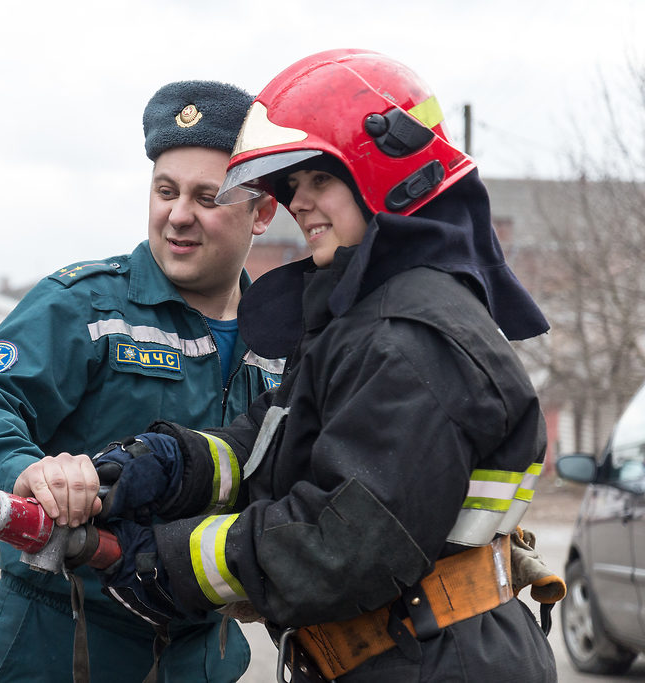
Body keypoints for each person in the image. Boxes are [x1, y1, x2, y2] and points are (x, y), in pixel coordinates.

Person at [71, 49, 561, 682]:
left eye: (319, 180)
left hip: (434, 663)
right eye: (293, 186)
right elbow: (273, 445)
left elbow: (343, 545)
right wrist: (166, 465)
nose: (299, 203)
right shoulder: (362, 317)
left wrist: (165, 560)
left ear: (383, 176)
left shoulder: (410, 337)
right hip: (406, 656)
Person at [0, 80, 280, 682]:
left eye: (207, 197)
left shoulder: (282, 343)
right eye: (165, 191)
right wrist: (29, 472)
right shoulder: (85, 306)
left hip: (205, 653)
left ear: (263, 212)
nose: (178, 215)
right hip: (62, 642)